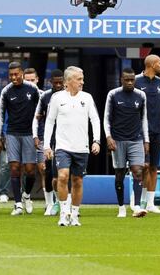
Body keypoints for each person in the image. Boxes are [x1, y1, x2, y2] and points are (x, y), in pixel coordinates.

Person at [44, 66, 100, 226]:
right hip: (62, 146)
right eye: (79, 79)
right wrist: (47, 145)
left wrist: (96, 140)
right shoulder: (57, 98)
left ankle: (74, 215)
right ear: (68, 81)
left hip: (81, 147)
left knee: (77, 181)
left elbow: (95, 119)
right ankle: (63, 213)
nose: (82, 82)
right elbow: (49, 121)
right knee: (62, 176)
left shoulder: (87, 98)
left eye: (82, 79)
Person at [0, 62, 40, 215]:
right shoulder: (6, 91)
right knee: (14, 168)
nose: (13, 77)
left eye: (16, 74)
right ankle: (18, 204)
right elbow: (0, 115)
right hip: (12, 133)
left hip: (29, 133)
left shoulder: (32, 89)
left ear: (21, 73)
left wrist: (38, 132)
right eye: (11, 75)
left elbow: (40, 109)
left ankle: (26, 195)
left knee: (30, 171)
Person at [104, 68, 149, 217]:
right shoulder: (113, 94)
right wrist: (108, 137)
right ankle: (121, 206)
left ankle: (136, 206)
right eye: (127, 80)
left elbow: (144, 119)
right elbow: (107, 118)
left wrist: (146, 140)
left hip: (136, 139)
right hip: (118, 140)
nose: (130, 82)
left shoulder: (141, 95)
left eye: (132, 80)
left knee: (138, 171)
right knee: (120, 175)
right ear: (121, 80)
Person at [135, 54, 160, 214]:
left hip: (157, 130)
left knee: (153, 167)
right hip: (140, 132)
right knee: (141, 167)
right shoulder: (136, 81)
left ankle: (150, 203)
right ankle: (138, 202)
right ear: (151, 65)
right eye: (159, 63)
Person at [33, 69, 64, 216]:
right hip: (50, 139)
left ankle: (64, 203)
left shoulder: (69, 95)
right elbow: (37, 117)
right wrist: (36, 136)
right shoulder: (45, 96)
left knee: (64, 173)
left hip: (66, 139)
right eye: (55, 82)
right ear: (50, 82)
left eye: (60, 82)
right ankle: (50, 203)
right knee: (48, 171)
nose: (58, 85)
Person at [24, 68, 48, 208]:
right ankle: (25, 196)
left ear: (38, 80)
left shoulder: (44, 96)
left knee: (43, 169)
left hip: (41, 137)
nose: (31, 83)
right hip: (23, 136)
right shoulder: (18, 93)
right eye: (28, 80)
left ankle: (48, 202)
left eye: (33, 80)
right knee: (27, 170)